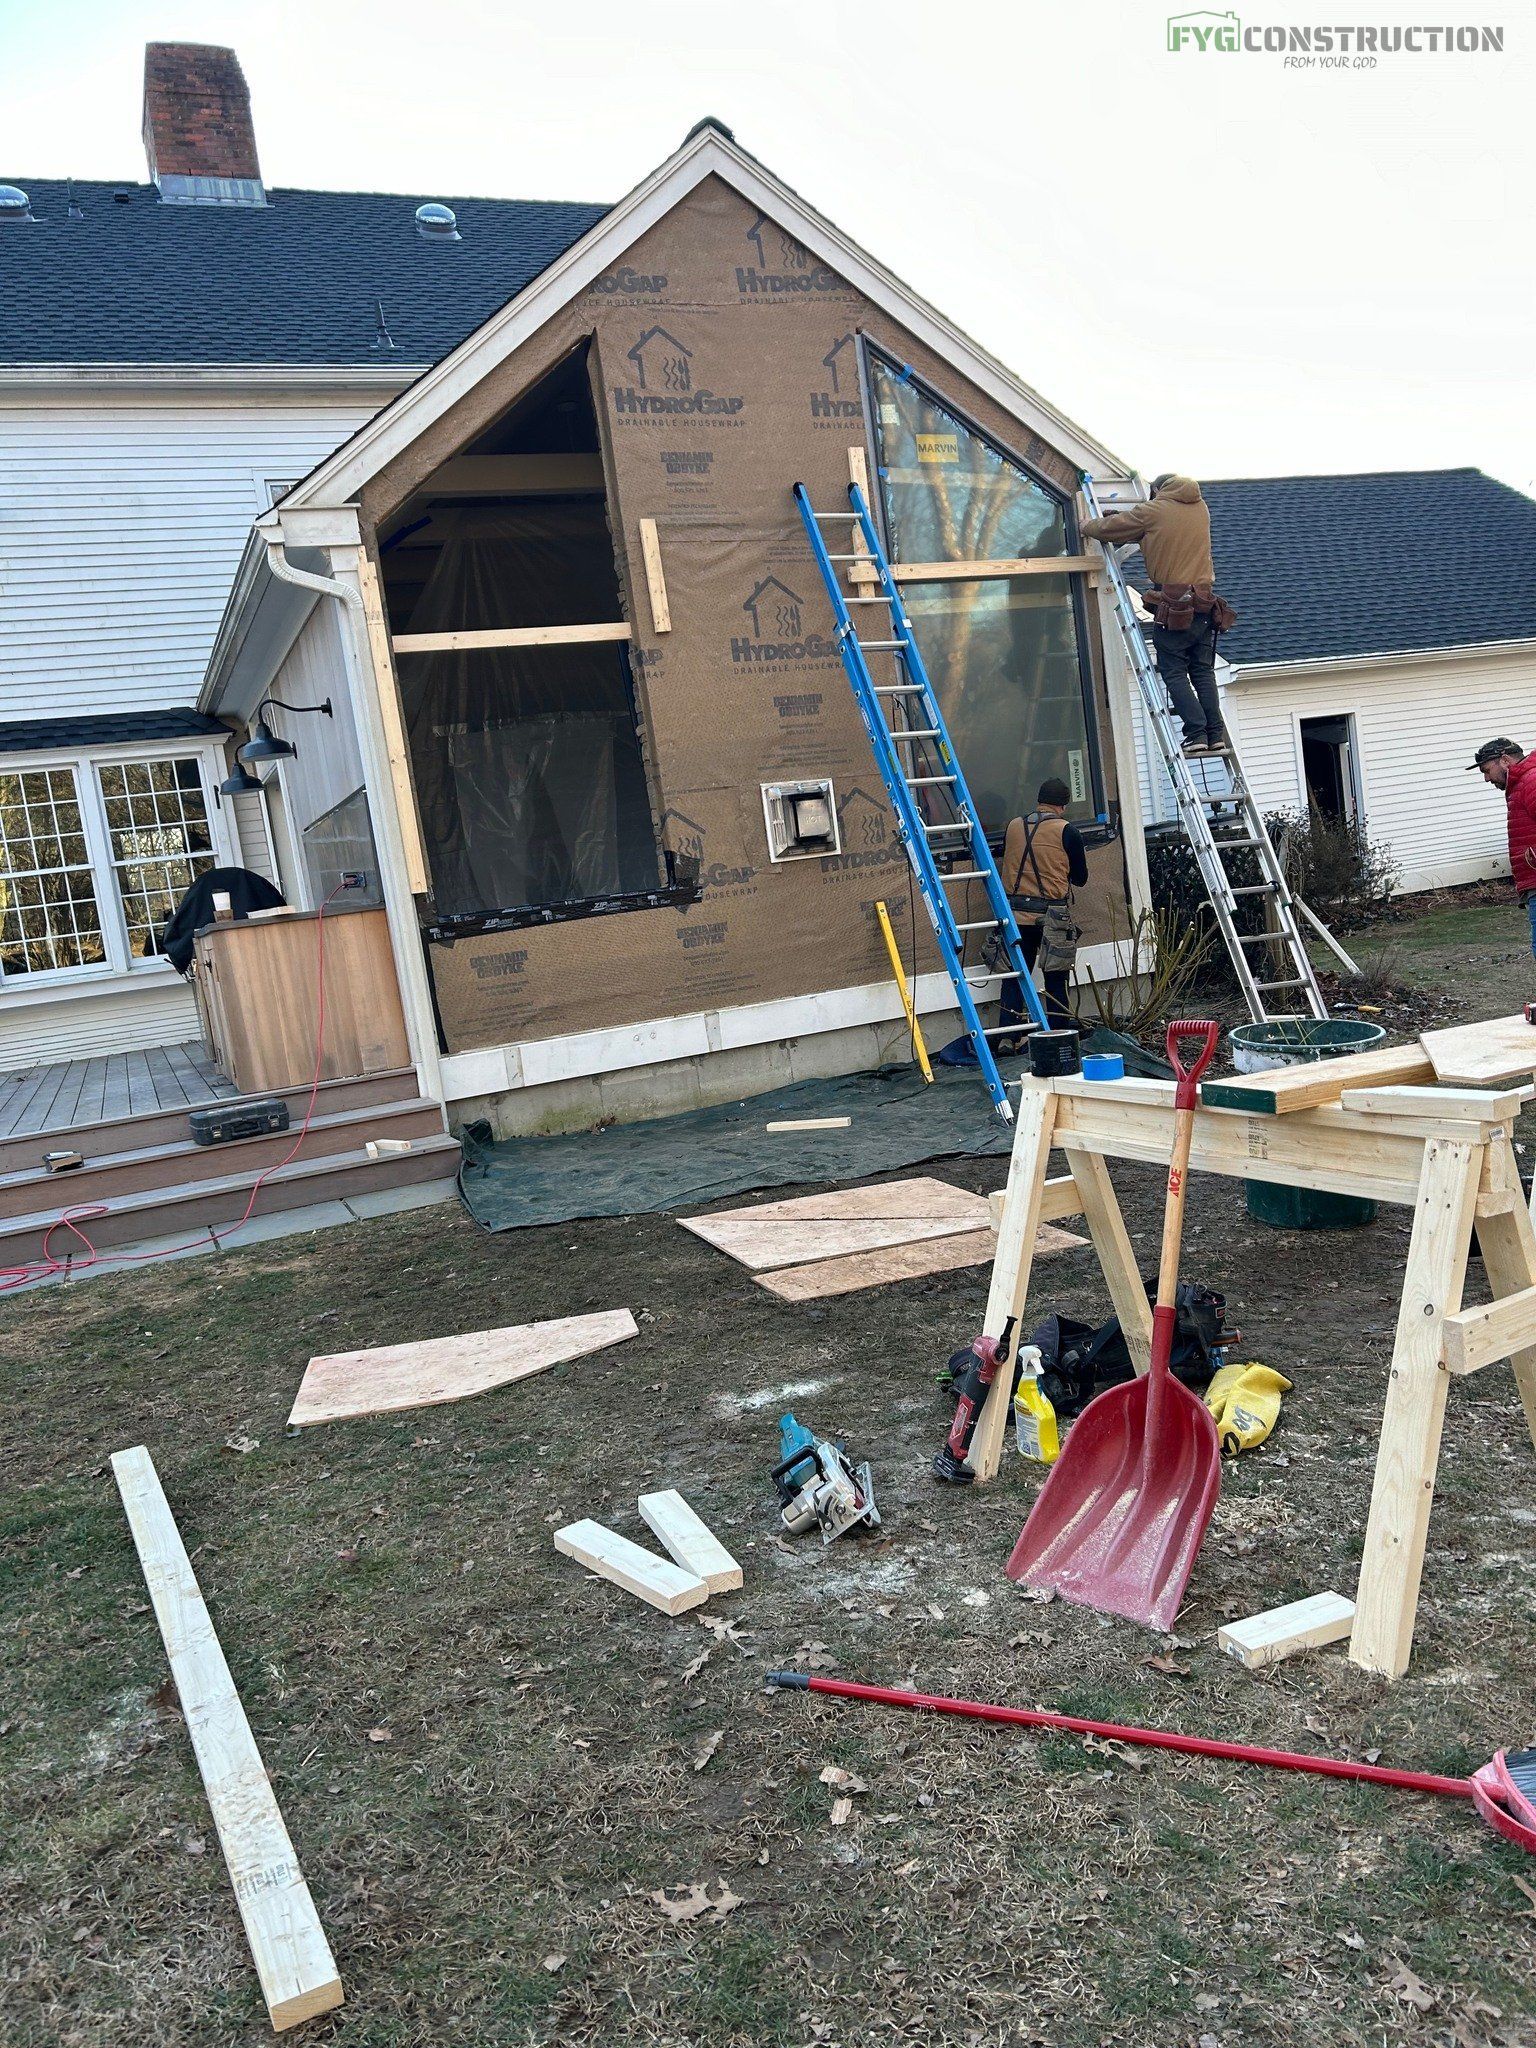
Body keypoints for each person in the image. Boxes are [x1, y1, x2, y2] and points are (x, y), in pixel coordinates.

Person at [1081, 473, 1234, 757]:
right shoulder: (1200, 507)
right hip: (1204, 602)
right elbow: (1156, 530)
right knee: (1202, 671)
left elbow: (1113, 528)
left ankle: (1196, 733)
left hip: (1175, 602)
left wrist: (1087, 525)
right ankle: (1215, 734)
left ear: (1156, 490)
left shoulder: (1154, 510)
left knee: (1174, 671)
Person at [996, 777, 1089, 1036]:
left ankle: (1008, 1036)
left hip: (1015, 915)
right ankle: (1059, 1034)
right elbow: (1081, 878)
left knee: (1015, 977)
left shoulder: (1014, 826)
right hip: (1051, 917)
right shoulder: (1067, 830)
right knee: (1056, 977)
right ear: (1063, 805)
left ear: (1039, 801)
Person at [1470, 738, 1536, 960]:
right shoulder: (1522, 784)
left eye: (1487, 770)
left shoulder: (1531, 781)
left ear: (1505, 760)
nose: (1487, 778)